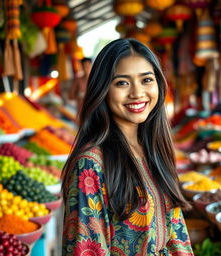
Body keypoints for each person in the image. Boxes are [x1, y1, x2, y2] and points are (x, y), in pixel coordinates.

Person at [62, 38, 194, 256]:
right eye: (122, 83)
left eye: (146, 80)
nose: (137, 93)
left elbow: (176, 230)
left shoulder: (154, 149)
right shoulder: (90, 165)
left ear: (159, 85)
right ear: (103, 89)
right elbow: (86, 250)